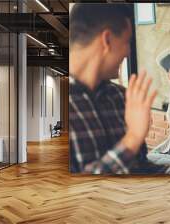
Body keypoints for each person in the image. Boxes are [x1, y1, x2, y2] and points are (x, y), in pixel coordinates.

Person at [69, 3, 162, 174]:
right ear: (107, 40)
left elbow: (140, 168)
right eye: (127, 42)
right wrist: (132, 139)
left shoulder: (121, 97)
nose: (127, 53)